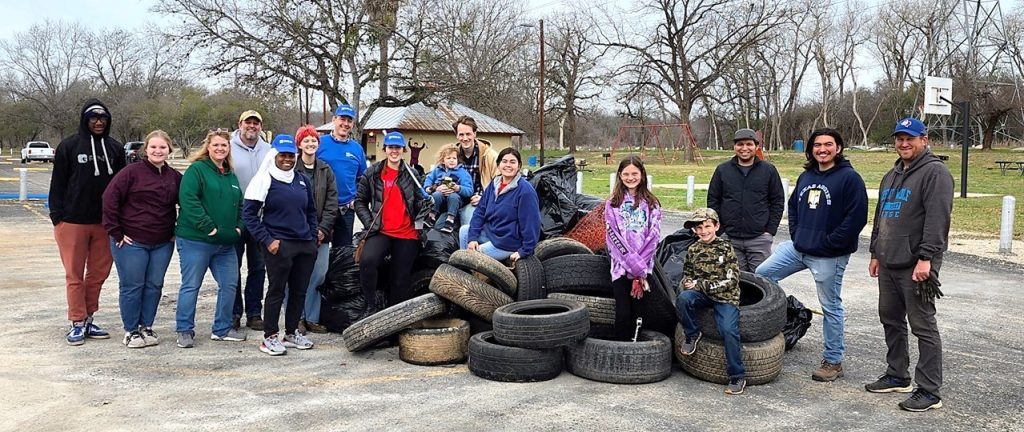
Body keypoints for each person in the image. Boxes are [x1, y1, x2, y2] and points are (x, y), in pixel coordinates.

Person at [755, 128, 868, 382]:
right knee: (762, 276)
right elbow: (794, 206)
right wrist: (796, 233)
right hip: (799, 248)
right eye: (817, 145)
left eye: (829, 144)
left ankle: (833, 360)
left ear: (838, 148)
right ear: (811, 149)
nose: (822, 149)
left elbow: (856, 218)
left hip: (829, 255)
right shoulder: (807, 175)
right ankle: (781, 322)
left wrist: (830, 243)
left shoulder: (850, 178)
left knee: (830, 306)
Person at [866, 117, 953, 412]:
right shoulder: (891, 174)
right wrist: (875, 252)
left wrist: (926, 258)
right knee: (890, 318)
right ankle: (897, 374)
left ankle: (929, 391)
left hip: (917, 264)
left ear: (924, 139)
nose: (904, 143)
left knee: (922, 326)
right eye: (899, 138)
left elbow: (937, 220)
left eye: (910, 138)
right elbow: (881, 216)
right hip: (889, 261)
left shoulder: (935, 173)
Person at [49, 99, 127, 345]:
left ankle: (89, 318)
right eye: (93, 118)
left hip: (105, 224)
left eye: (103, 118)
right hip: (72, 222)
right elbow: (57, 184)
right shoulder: (69, 146)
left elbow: (122, 188)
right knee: (74, 275)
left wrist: (119, 220)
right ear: (85, 120)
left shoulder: (115, 149)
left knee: (97, 275)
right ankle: (76, 322)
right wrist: (57, 217)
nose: (98, 122)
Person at [102, 130, 182, 348]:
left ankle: (146, 326)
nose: (158, 151)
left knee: (154, 285)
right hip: (131, 241)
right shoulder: (130, 173)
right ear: (145, 150)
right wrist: (115, 232)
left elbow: (188, 202)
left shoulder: (174, 176)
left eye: (162, 147)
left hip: (163, 242)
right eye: (153, 147)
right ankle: (131, 330)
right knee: (132, 285)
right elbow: (109, 200)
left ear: (169, 150)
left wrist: (179, 228)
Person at [243, 135, 319, 356]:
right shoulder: (264, 179)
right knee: (276, 291)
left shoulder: (301, 179)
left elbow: (311, 212)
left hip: (304, 245)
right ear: (274, 155)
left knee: (299, 291)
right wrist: (268, 240)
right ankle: (270, 337)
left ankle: (292, 331)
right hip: (279, 244)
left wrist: (312, 237)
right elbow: (249, 215)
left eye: (290, 155)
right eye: (282, 155)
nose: (286, 159)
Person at [174, 129, 248, 348]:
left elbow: (241, 205)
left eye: (224, 145)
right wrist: (209, 228)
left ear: (228, 149)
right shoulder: (197, 170)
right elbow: (188, 199)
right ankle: (184, 329)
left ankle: (222, 328)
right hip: (196, 241)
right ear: (208, 147)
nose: (220, 148)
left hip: (225, 244)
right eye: (216, 145)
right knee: (191, 285)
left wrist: (238, 229)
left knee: (229, 284)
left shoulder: (230, 175)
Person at [353, 131, 429, 318]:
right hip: (382, 230)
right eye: (390, 147)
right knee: (367, 261)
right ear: (384, 149)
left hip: (407, 233)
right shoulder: (373, 172)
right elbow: (359, 201)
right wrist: (370, 222)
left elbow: (420, 202)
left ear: (403, 150)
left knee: (400, 279)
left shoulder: (412, 174)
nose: (394, 151)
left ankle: (395, 320)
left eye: (397, 148)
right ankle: (370, 306)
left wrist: (425, 207)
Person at [676, 208, 746, 395]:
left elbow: (731, 280)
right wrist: (689, 283)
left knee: (728, 330)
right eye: (698, 228)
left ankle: (737, 376)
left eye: (707, 226)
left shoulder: (725, 248)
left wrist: (700, 284)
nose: (703, 231)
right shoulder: (693, 249)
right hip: (702, 296)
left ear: (716, 226)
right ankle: (692, 334)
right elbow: (688, 276)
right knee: (683, 298)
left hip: (726, 297)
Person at [706, 128, 785, 272]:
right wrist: (720, 230)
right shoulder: (722, 170)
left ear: (756, 147)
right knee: (734, 280)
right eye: (740, 144)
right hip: (729, 238)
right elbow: (713, 201)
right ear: (734, 147)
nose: (744, 148)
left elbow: (777, 201)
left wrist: (770, 231)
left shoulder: (768, 170)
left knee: (762, 281)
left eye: (749, 144)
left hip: (759, 239)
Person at [604, 155, 662, 341]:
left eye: (634, 173)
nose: (630, 178)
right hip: (621, 269)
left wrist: (640, 269)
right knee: (622, 312)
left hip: (644, 269)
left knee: (639, 313)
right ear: (620, 176)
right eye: (626, 174)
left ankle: (635, 350)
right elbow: (612, 236)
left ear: (642, 175)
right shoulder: (612, 203)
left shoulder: (652, 203)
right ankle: (620, 349)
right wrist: (631, 264)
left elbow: (654, 236)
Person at [293, 125, 338, 334]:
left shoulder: (325, 170)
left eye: (314, 141)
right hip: (296, 234)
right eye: (306, 141)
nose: (310, 144)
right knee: (293, 275)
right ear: (299, 144)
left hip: (321, 233)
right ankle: (296, 318)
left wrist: (322, 229)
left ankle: (311, 317)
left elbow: (332, 202)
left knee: (317, 275)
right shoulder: (291, 168)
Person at [459, 148, 541, 262]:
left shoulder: (525, 191)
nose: (508, 165)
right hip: (491, 233)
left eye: (512, 162)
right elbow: (480, 211)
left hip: (508, 242)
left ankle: (473, 273)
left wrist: (525, 250)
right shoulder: (494, 184)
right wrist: (472, 238)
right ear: (498, 165)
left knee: (472, 255)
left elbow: (531, 223)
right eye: (504, 161)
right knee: (464, 232)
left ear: (519, 166)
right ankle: (468, 272)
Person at [231, 110, 272, 331]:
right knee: (233, 268)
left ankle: (254, 313)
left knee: (258, 267)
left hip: (261, 219)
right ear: (240, 124)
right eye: (248, 122)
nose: (252, 126)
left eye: (256, 123)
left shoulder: (269, 150)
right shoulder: (228, 147)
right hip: (235, 217)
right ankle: (234, 312)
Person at [317, 104, 367, 247]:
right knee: (320, 248)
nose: (345, 124)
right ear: (334, 120)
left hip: (346, 209)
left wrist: (356, 199)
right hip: (323, 208)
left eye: (349, 121)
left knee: (344, 251)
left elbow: (362, 180)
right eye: (342, 119)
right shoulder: (320, 143)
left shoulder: (357, 149)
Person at [452, 115, 498, 224]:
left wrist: (484, 197)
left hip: (477, 201)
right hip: (455, 199)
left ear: (475, 134)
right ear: (457, 136)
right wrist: (441, 187)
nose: (465, 138)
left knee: (469, 223)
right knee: (439, 228)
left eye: (468, 134)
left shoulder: (490, 156)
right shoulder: (451, 156)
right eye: (461, 134)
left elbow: (499, 183)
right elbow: (440, 175)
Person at [423, 143, 473, 233]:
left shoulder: (462, 173)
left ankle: (450, 220)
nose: (452, 160)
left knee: (453, 196)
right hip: (440, 200)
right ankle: (431, 216)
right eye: (448, 158)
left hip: (455, 201)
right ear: (443, 160)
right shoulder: (437, 170)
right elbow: (427, 182)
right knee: (436, 194)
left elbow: (469, 190)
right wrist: (432, 188)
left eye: (454, 158)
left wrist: (458, 188)